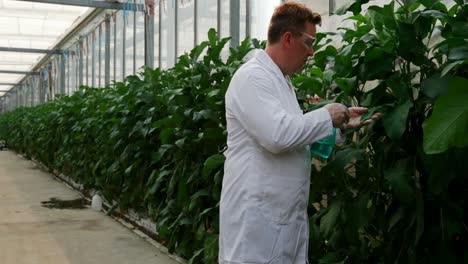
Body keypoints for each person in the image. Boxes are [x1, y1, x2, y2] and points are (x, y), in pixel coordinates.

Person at [219, 2, 378, 264]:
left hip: (282, 218)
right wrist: (327, 115)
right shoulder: (252, 78)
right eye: (308, 42)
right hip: (256, 225)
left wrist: (339, 127)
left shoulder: (282, 82)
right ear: (288, 38)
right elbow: (277, 135)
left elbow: (296, 135)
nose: (312, 51)